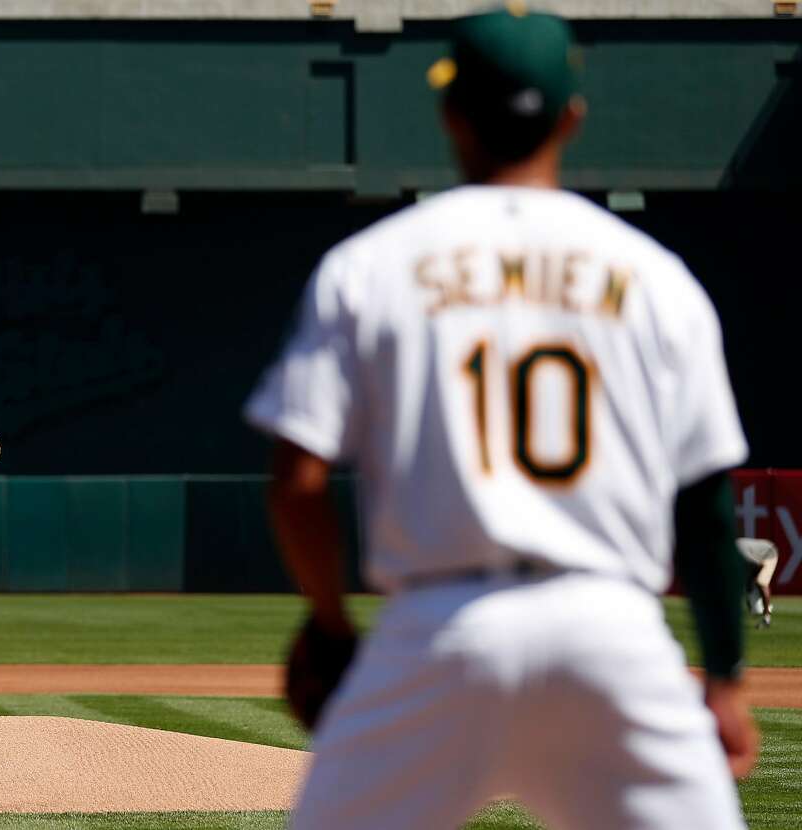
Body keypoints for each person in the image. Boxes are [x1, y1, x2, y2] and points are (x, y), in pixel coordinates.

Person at [245, 6, 758, 828]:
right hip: (610, 629)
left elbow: (297, 481)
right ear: (572, 117)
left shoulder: (369, 268)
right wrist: (725, 678)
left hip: (440, 628)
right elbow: (702, 501)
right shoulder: (656, 278)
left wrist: (334, 625)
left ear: (451, 113)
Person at [736, 537, 777, 629]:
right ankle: (760, 606)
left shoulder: (741, 553)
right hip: (758, 556)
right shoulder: (731, 551)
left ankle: (767, 618)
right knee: (749, 585)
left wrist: (753, 579)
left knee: (761, 582)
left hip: (769, 553)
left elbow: (759, 565)